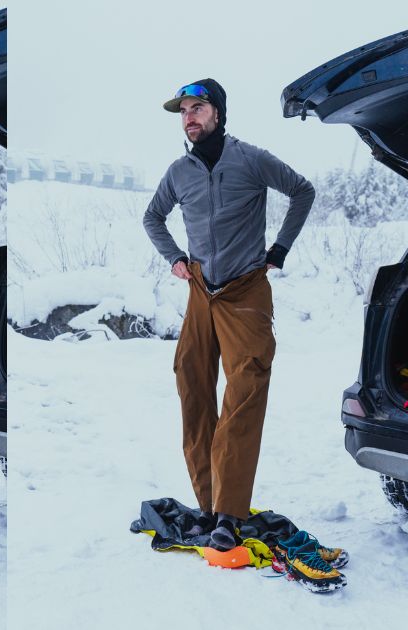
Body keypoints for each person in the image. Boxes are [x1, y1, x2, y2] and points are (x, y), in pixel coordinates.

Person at [142, 80, 315, 550]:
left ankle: (230, 513)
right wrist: (174, 257)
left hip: (246, 289)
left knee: (245, 388)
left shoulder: (250, 159)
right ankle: (209, 501)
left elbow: (302, 191)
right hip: (201, 288)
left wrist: (279, 249)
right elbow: (152, 217)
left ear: (217, 112)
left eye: (197, 108)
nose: (189, 117)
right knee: (192, 381)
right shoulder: (179, 171)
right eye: (183, 111)